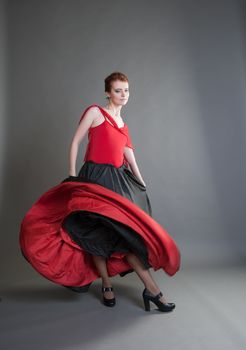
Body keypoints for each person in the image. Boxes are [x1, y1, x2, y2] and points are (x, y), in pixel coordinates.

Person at [19, 72, 181, 312]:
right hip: (94, 179)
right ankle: (109, 285)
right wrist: (72, 176)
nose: (123, 95)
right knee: (96, 234)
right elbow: (75, 142)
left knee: (125, 237)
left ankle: (151, 290)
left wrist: (141, 180)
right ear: (108, 92)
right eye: (118, 90)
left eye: (126, 90)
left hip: (116, 182)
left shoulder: (123, 124)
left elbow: (128, 155)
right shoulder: (95, 112)